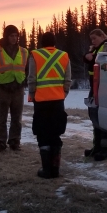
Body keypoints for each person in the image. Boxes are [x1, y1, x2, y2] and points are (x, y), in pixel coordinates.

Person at [28, 32, 71, 179]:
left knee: (43, 133)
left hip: (41, 101)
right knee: (55, 133)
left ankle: (46, 170)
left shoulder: (35, 55)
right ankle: (55, 169)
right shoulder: (64, 55)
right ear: (54, 42)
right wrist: (63, 93)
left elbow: (32, 78)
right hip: (58, 101)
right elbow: (68, 78)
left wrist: (33, 94)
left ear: (41, 42)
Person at [0, 24, 29, 152]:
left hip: (18, 89)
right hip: (2, 89)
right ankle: (0, 143)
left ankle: (15, 142)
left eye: (16, 36)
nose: (14, 38)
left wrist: (23, 83)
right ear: (6, 36)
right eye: (12, 35)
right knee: (1, 119)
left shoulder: (24, 51)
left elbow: (27, 70)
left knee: (17, 119)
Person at [82, 29, 107, 161]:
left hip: (105, 88)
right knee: (94, 116)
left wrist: (91, 55)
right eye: (91, 39)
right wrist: (88, 55)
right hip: (96, 87)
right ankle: (98, 146)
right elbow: (88, 58)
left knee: (102, 117)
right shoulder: (98, 48)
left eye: (95, 38)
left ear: (102, 36)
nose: (93, 41)